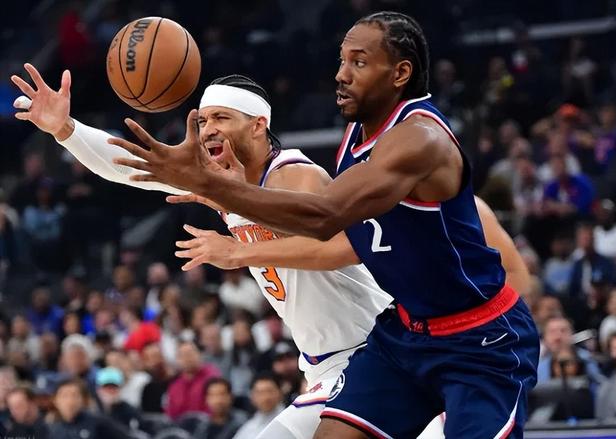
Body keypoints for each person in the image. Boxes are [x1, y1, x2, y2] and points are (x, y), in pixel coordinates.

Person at [11, 36, 534, 438]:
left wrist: (239, 251)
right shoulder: (222, 181)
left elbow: (338, 245)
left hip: (370, 351)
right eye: (203, 120)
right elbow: (135, 167)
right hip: (325, 363)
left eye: (222, 118)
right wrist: (66, 130)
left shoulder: (293, 175)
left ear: (258, 125)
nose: (207, 130)